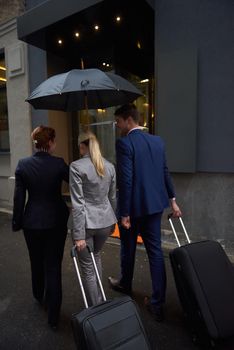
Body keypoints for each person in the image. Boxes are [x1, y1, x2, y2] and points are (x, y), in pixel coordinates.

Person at [108, 103, 182, 322]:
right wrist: (173, 202)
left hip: (134, 208)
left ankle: (125, 283)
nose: (117, 125)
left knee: (128, 247)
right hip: (155, 207)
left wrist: (124, 214)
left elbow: (126, 180)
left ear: (128, 120)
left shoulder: (124, 143)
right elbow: (164, 172)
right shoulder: (157, 141)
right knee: (155, 253)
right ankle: (158, 304)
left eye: (118, 121)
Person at [12, 125, 69, 330]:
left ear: (36, 144)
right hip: (55, 222)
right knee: (53, 265)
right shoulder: (59, 164)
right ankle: (53, 315)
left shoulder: (23, 165)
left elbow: (19, 198)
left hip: (32, 223)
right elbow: (74, 180)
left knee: (36, 261)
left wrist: (17, 222)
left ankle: (39, 295)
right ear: (51, 143)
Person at [69, 131, 117, 306]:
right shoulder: (109, 166)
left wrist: (79, 234)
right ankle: (101, 300)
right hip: (105, 221)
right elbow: (112, 198)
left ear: (83, 146)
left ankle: (96, 307)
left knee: (88, 268)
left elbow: (78, 203)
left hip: (86, 225)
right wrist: (114, 221)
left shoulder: (76, 166)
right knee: (96, 256)